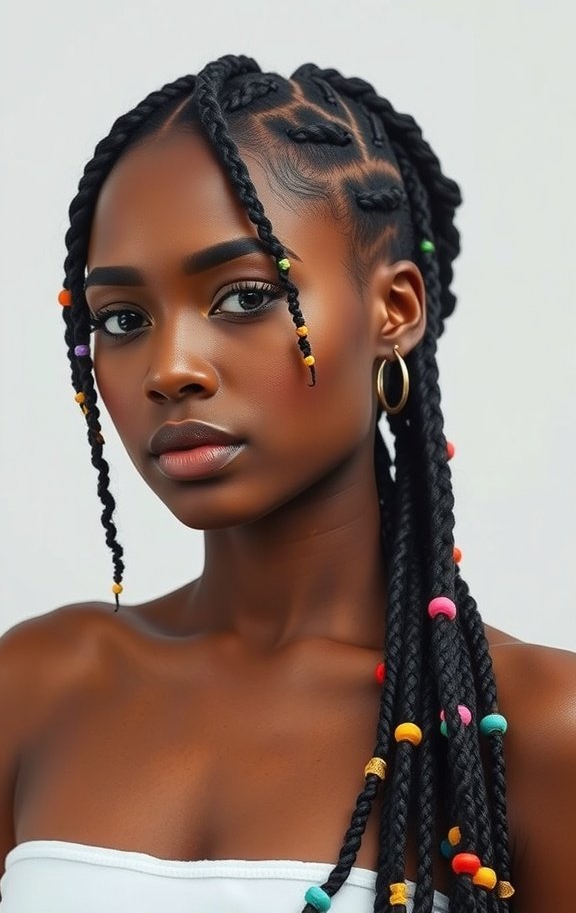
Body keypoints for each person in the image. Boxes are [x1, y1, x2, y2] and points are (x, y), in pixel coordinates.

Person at [0, 54, 574, 913]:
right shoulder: (36, 686)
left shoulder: (533, 733)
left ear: (396, 310)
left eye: (242, 297)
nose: (171, 368)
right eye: (121, 318)